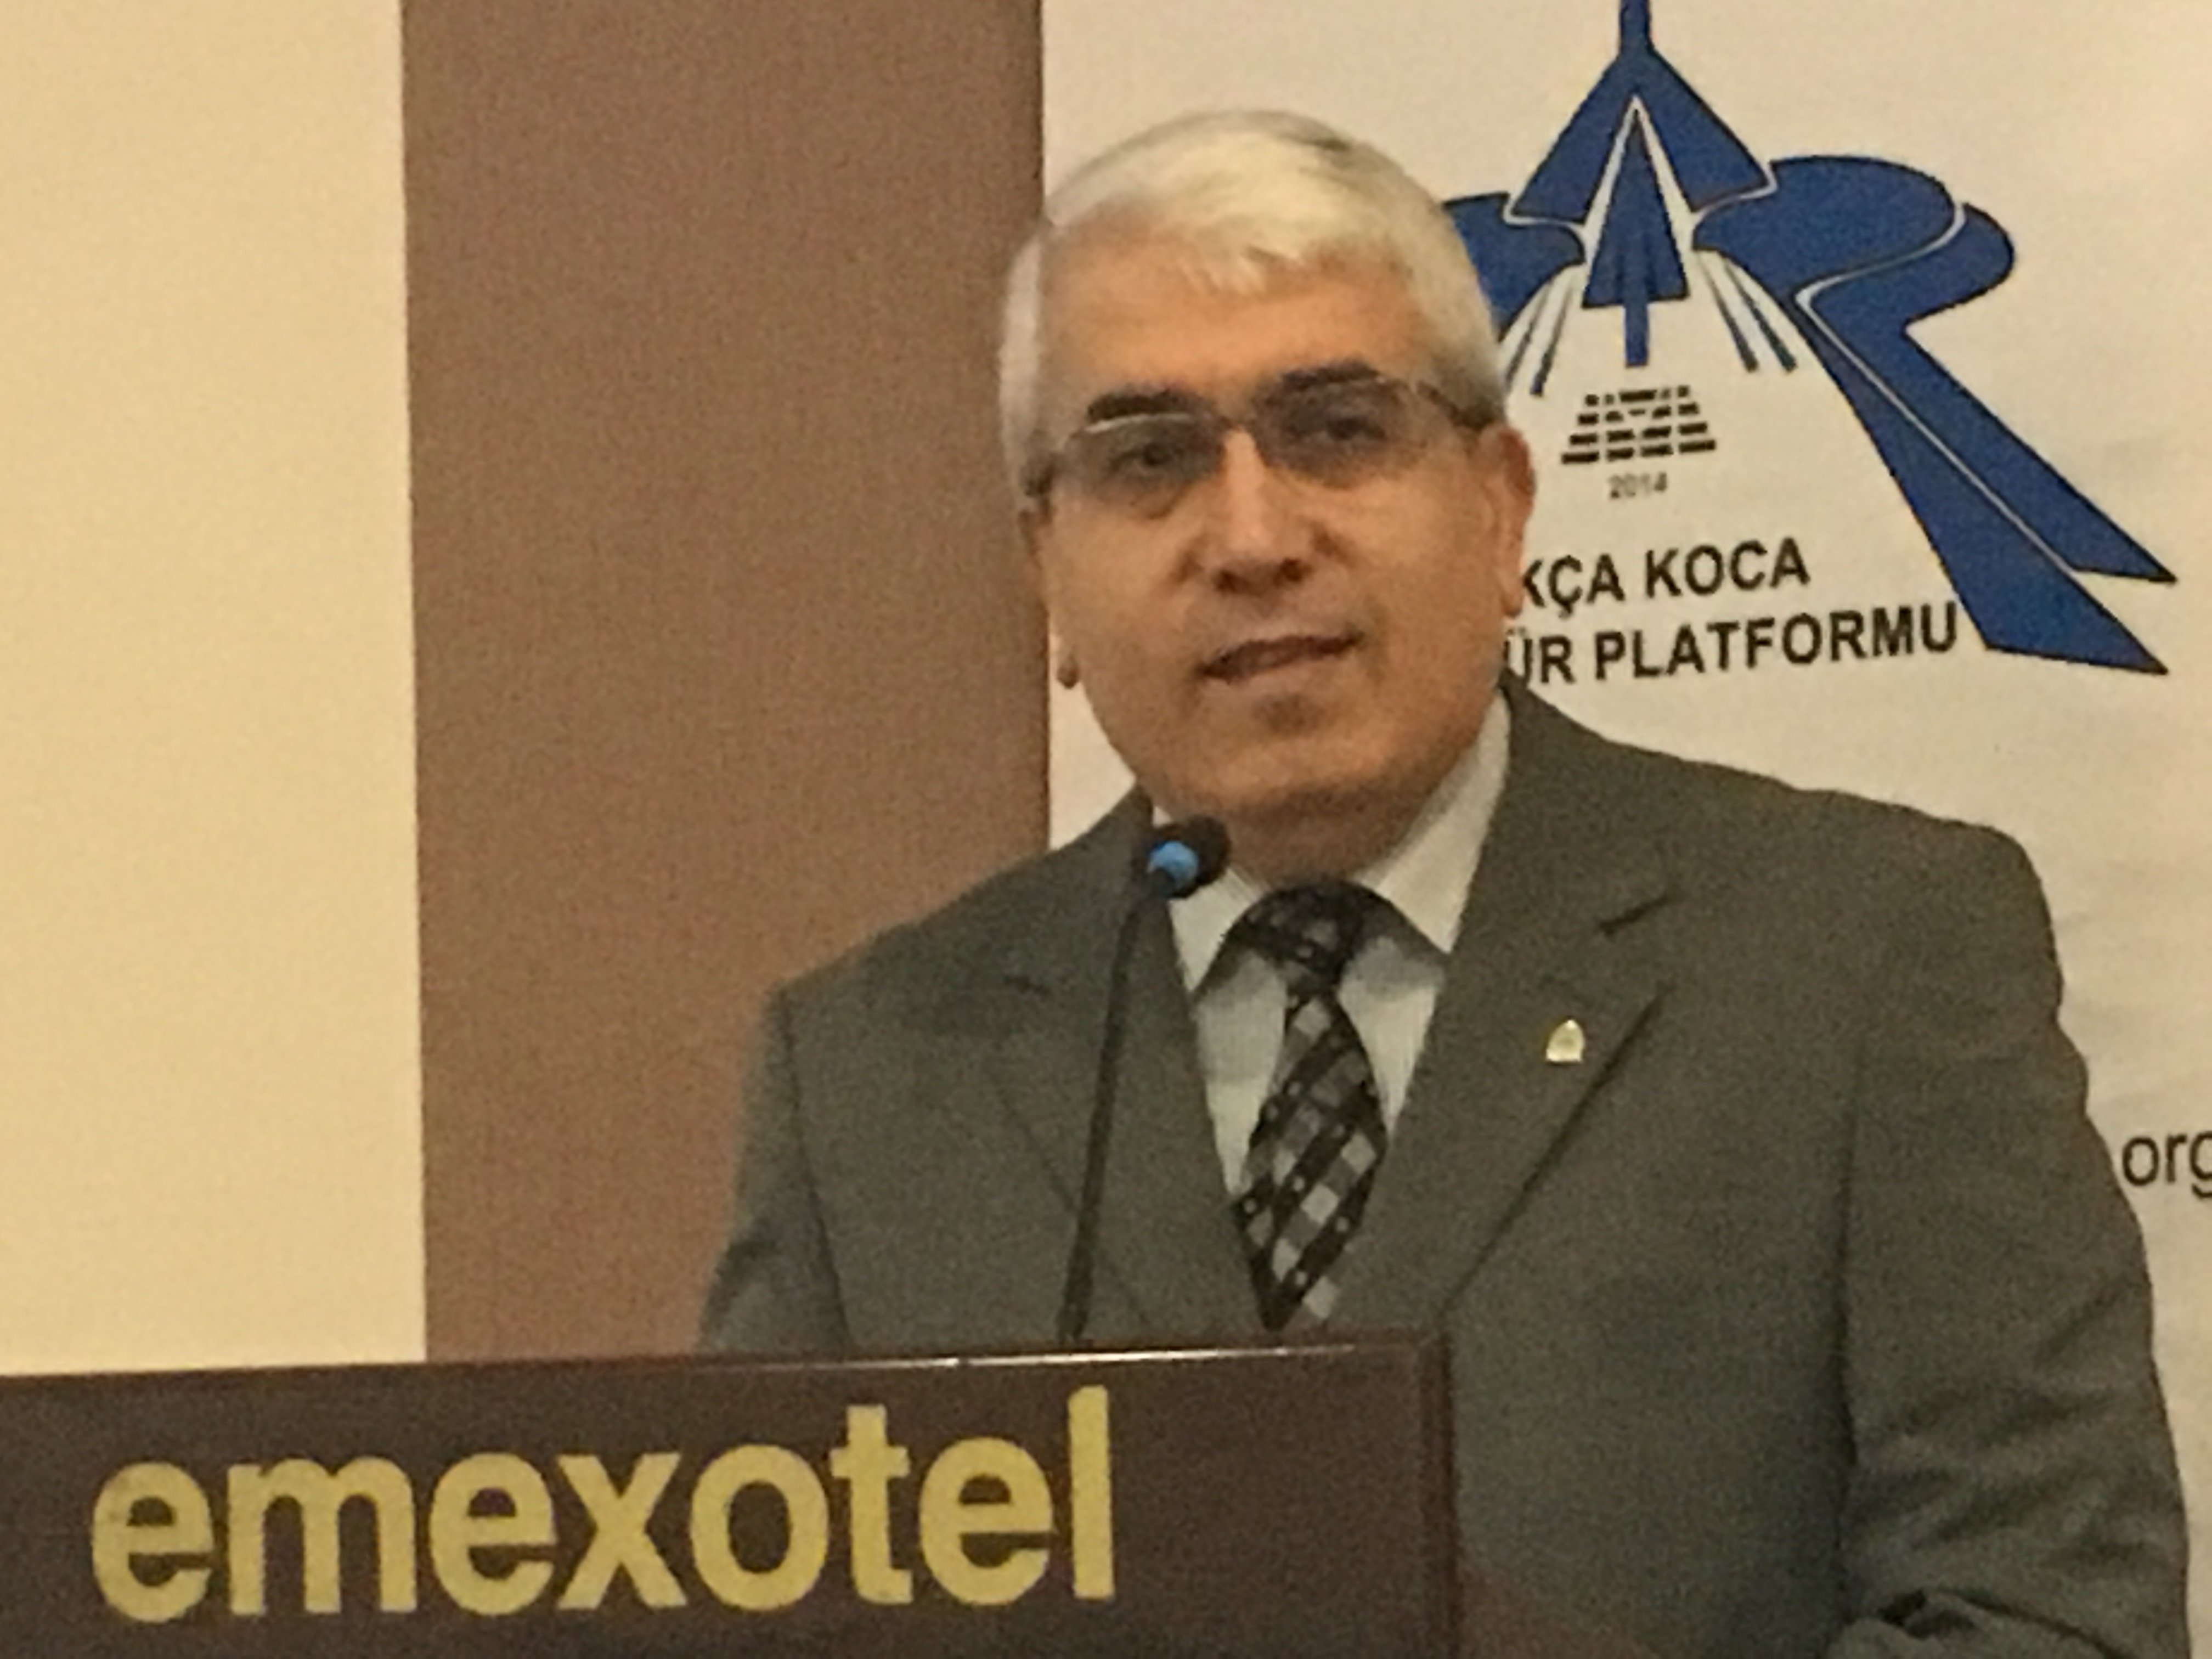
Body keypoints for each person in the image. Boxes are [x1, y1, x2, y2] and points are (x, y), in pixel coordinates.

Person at [702, 110, 2187, 1658]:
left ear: (1501, 507)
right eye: (1149, 461)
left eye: (1337, 431)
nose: (1253, 537)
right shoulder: (870, 1078)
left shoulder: (1864, 959)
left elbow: (2051, 1622)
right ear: (1047, 575)